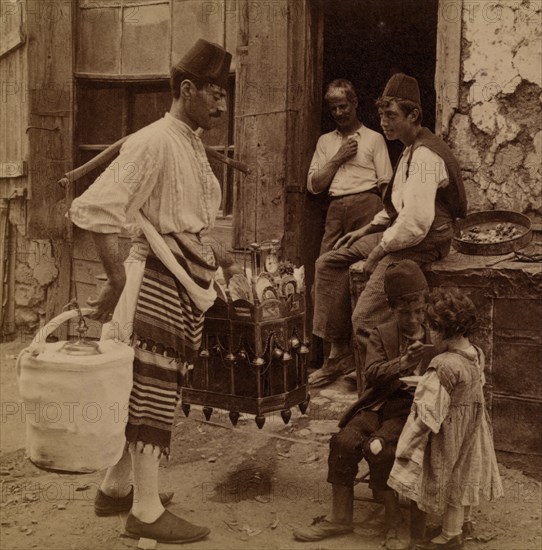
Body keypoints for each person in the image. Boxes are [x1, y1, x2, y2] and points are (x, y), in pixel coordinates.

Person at [69, 39, 240, 544]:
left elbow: (185, 218)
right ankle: (143, 511)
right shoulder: (152, 142)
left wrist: (216, 253)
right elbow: (95, 208)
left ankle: (116, 486)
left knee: (149, 391)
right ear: (186, 90)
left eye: (224, 94)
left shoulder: (186, 140)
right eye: (214, 92)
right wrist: (116, 281)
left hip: (182, 282)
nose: (222, 104)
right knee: (152, 394)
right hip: (154, 287)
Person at [312, 73, 467, 389]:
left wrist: (379, 250)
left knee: (363, 318)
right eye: (382, 114)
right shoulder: (409, 150)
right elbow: (398, 206)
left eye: (392, 115)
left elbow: (415, 223)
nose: (384, 121)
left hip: (423, 242)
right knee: (328, 261)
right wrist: (366, 230)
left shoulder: (425, 155)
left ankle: (379, 380)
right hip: (401, 233)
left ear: (413, 115)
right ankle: (337, 352)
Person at [293, 260, 437, 549]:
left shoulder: (437, 334)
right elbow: (371, 373)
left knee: (380, 449)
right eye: (404, 312)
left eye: (418, 311)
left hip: (415, 410)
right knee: (344, 442)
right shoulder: (380, 332)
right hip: (379, 403)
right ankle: (340, 517)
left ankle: (394, 523)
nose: (412, 318)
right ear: (391, 308)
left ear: (426, 304)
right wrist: (403, 363)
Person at [388, 288, 504, 550]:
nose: (428, 333)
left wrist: (407, 443)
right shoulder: (475, 353)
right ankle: (463, 523)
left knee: (451, 480)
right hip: (473, 427)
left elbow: (429, 411)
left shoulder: (443, 364)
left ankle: (450, 536)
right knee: (464, 476)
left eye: (430, 327)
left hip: (450, 431)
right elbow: (475, 387)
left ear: (440, 330)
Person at [307, 79, 392, 387]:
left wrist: (385, 220)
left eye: (344, 105)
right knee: (327, 275)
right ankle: (335, 355)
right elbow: (315, 185)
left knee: (362, 277)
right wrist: (339, 156)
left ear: (355, 104)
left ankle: (363, 361)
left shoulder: (374, 139)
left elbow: (386, 184)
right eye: (334, 108)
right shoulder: (325, 142)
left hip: (367, 206)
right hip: (335, 209)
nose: (340, 112)